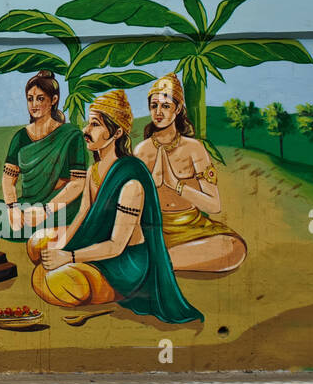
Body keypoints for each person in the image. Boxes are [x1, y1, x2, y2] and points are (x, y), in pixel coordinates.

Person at [26, 90, 202, 324]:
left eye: (96, 125)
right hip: (96, 246)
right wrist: (62, 246)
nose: (86, 131)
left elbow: (117, 246)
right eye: (89, 124)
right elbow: (83, 213)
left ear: (117, 132)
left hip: (123, 264)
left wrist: (67, 256)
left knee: (52, 282)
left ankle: (114, 290)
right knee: (36, 246)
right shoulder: (94, 171)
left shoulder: (131, 182)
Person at [133, 73, 247, 273]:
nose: (158, 112)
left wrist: (176, 185)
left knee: (233, 249)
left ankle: (158, 262)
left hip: (193, 229)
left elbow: (214, 205)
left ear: (177, 109)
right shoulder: (142, 151)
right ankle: (162, 260)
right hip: (153, 230)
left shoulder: (195, 149)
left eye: (165, 106)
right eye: (154, 106)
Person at [0, 71, 86, 238]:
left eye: (40, 98)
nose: (34, 104)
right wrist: (12, 208)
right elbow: (9, 178)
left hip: (61, 205)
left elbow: (78, 183)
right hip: (28, 204)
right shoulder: (20, 137)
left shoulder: (71, 135)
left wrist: (47, 210)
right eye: (30, 99)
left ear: (53, 100)